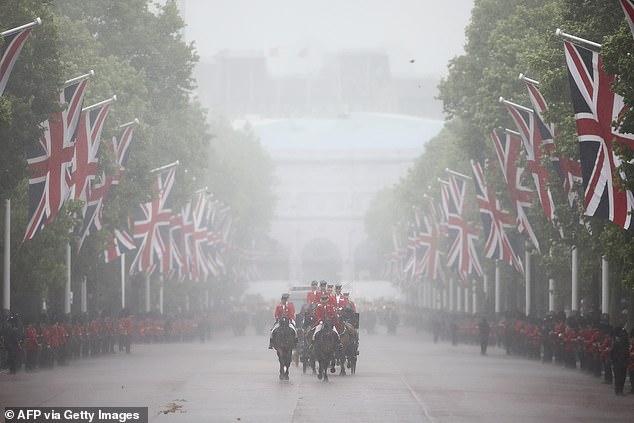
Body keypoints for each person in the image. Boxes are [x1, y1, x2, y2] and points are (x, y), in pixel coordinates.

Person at [611, 326, 630, 395]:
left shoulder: (616, 342)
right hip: (621, 362)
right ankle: (619, 390)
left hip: (617, 362)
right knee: (621, 377)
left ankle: (618, 390)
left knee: (618, 376)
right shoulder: (624, 342)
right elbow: (626, 352)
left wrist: (613, 361)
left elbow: (612, 352)